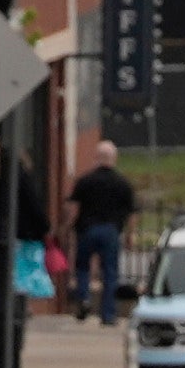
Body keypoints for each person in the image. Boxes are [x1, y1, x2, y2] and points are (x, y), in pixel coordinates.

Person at [67, 136, 137, 322]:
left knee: (82, 267)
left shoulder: (85, 181)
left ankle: (83, 299)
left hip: (87, 230)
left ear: (96, 157)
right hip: (110, 230)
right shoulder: (123, 183)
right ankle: (108, 314)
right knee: (110, 272)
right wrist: (131, 235)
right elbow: (131, 213)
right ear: (114, 158)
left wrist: (68, 228)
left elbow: (74, 209)